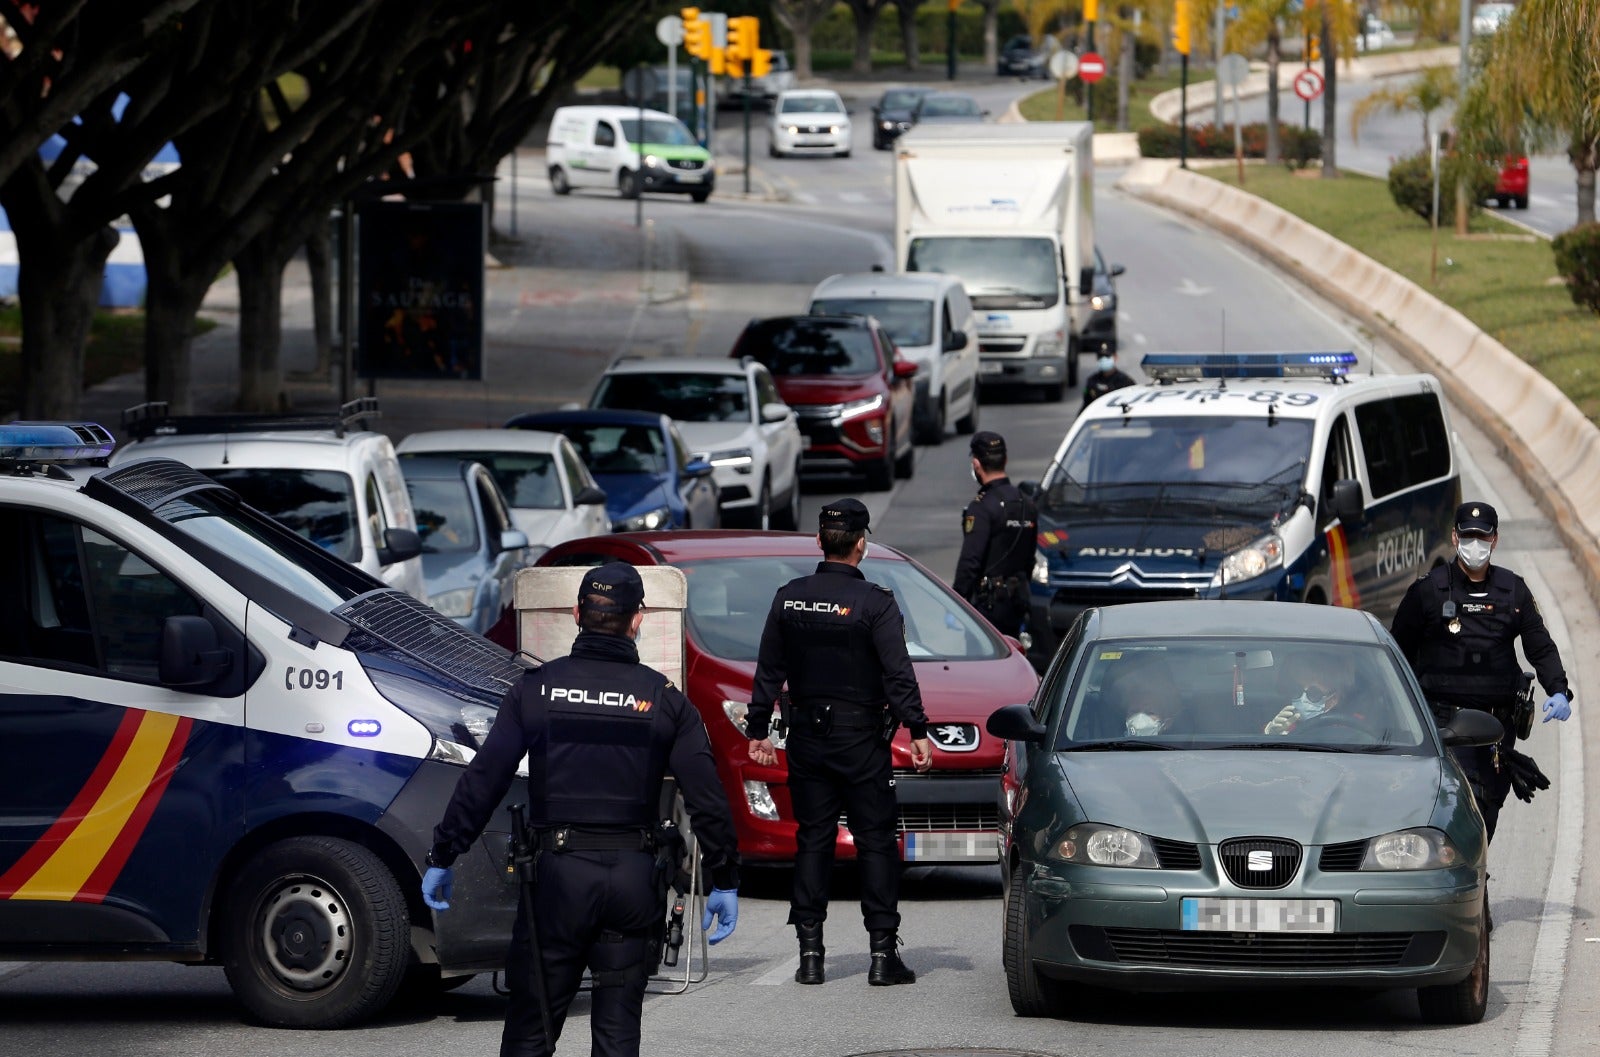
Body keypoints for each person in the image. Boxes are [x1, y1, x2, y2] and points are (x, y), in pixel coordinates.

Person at [421, 562, 740, 1057]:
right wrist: (725, 877)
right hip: (634, 879)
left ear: (577, 614)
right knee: (616, 1038)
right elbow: (708, 797)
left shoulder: (536, 690)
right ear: (638, 618)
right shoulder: (665, 700)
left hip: (558, 882)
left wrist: (444, 854)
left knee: (531, 1034)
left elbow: (485, 778)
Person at [745, 498, 933, 987]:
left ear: (819, 542)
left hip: (807, 737)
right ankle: (880, 955)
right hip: (861, 740)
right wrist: (917, 729)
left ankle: (810, 955)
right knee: (874, 840)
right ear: (861, 544)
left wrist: (757, 730)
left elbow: (768, 669)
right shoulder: (875, 602)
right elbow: (898, 672)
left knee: (813, 838)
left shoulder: (789, 598)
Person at [1389, 502, 1573, 842]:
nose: (1476, 543)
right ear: (1455, 537)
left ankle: (1475, 876)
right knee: (1459, 804)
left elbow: (1540, 645)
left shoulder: (1513, 590)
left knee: (1489, 805)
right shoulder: (1428, 591)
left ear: (1495, 540)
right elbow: (1396, 650)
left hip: (1496, 727)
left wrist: (1558, 688)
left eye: (1482, 536)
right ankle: (1465, 881)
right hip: (1444, 724)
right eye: (1468, 535)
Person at [952, 432, 1037, 636]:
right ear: (1005, 460)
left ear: (976, 464)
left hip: (987, 608)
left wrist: (954, 602)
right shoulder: (1027, 503)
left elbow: (970, 563)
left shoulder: (982, 507)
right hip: (1018, 604)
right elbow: (1029, 560)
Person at [1262, 650, 1362, 736]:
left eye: (1314, 694)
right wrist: (1270, 736)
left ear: (1334, 698)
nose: (1302, 699)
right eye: (1296, 690)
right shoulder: (1285, 723)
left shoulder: (1354, 724)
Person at [1102, 655, 1185, 737]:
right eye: (1134, 711)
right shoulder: (1109, 744)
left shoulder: (1181, 747)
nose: (1140, 717)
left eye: (1149, 713)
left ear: (1167, 723)